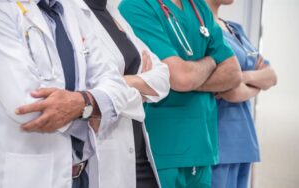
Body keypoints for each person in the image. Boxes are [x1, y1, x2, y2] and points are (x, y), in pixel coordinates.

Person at [0, 0, 131, 188]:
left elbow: (116, 85)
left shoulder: (71, 8)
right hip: (33, 176)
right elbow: (27, 107)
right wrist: (96, 106)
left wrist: (85, 102)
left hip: (83, 174)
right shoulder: (4, 8)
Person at [119, 0, 242, 187]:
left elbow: (233, 74)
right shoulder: (137, 6)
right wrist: (211, 61)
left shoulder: (198, 7)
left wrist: (186, 78)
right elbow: (181, 78)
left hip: (202, 148)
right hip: (160, 150)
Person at [74, 0, 170, 187]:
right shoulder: (74, 12)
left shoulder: (112, 12)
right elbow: (90, 91)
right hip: (106, 153)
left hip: (139, 153)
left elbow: (163, 77)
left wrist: (118, 86)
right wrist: (139, 89)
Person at [205, 0, 277, 188]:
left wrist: (241, 76)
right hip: (218, 143)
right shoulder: (202, 29)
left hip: (244, 142)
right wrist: (255, 81)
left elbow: (271, 76)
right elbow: (231, 93)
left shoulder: (234, 29)